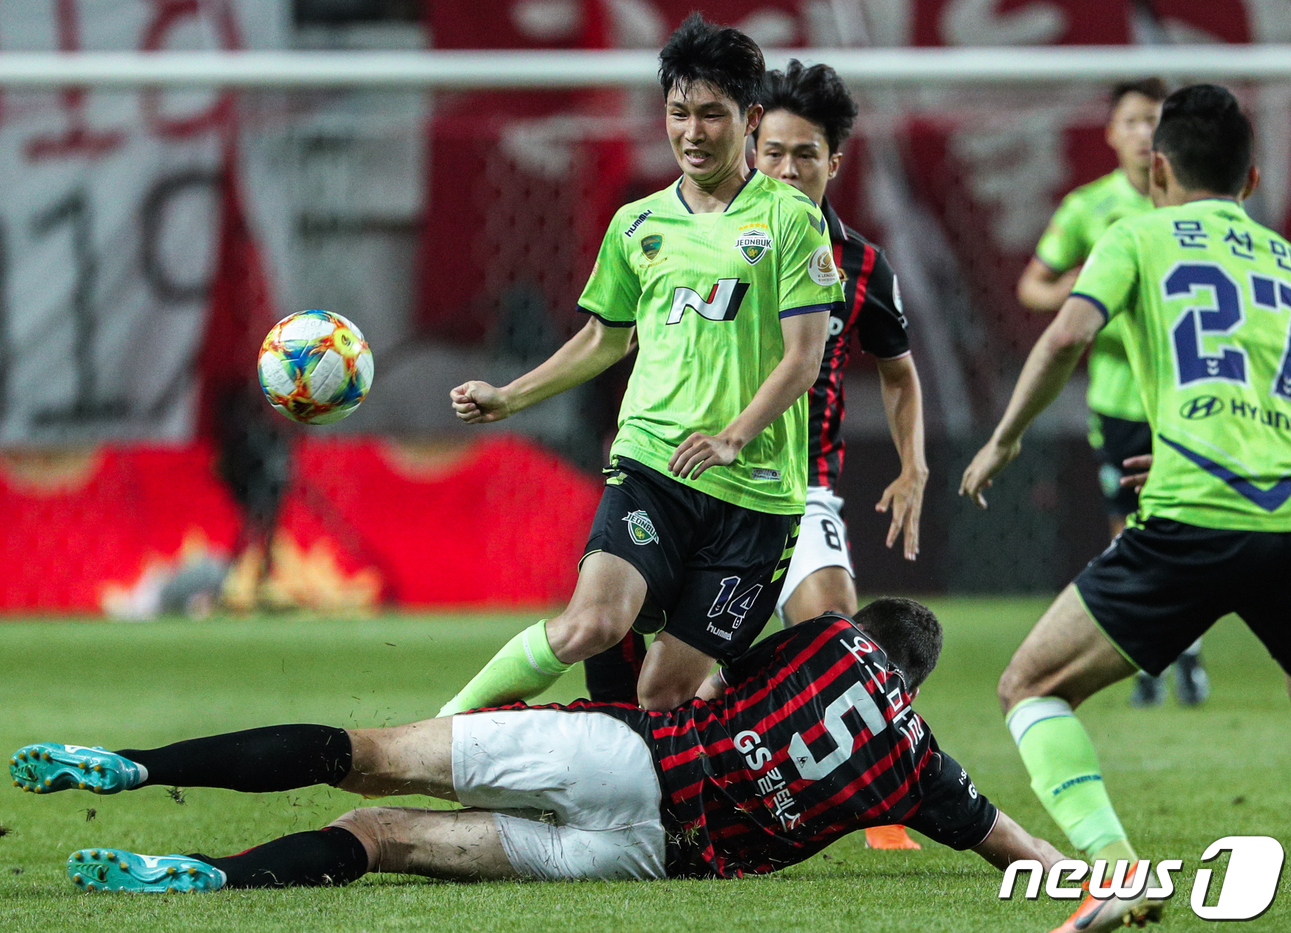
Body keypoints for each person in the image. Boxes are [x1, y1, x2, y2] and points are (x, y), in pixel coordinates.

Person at [8, 597, 1065, 894]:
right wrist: (1092, 879)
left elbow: (697, 655)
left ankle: (140, 765)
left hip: (624, 759)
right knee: (380, 839)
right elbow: (1010, 844)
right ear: (913, 681)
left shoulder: (828, 640)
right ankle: (206, 877)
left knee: (359, 754)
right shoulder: (920, 765)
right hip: (642, 860)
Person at [440, 14, 840, 715]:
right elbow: (603, 339)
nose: (691, 132)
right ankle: (442, 731)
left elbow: (805, 360)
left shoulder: (790, 220)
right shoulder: (637, 225)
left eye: (711, 114)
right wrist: (509, 397)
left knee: (663, 691)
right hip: (653, 463)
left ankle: (666, 810)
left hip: (758, 494)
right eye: (678, 112)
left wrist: (733, 437)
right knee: (592, 622)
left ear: (749, 120)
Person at [961, 84, 1291, 933]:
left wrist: (1002, 439)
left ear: (1157, 169)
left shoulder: (1133, 234)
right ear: (1252, 179)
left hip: (1186, 522)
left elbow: (1068, 332)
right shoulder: (1285, 262)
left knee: (1030, 686)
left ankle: (1113, 871)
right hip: (1280, 520)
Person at [581, 58, 930, 851]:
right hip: (691, 474)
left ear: (834, 162)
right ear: (752, 144)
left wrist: (913, 466)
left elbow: (901, 374)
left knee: (837, 629)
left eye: (805, 154)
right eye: (773, 152)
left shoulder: (859, 263)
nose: (786, 167)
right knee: (619, 638)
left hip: (796, 485)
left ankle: (875, 791)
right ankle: (657, 762)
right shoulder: (700, 229)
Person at [1016, 78, 1208, 708]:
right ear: (1111, 131)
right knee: (1129, 529)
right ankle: (1150, 655)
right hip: (1122, 398)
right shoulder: (1087, 208)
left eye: (1155, 119)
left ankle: (1187, 651)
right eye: (1133, 119)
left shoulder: (1192, 206)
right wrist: (1078, 294)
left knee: (1190, 521)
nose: (1144, 131)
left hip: (1190, 397)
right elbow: (1033, 288)